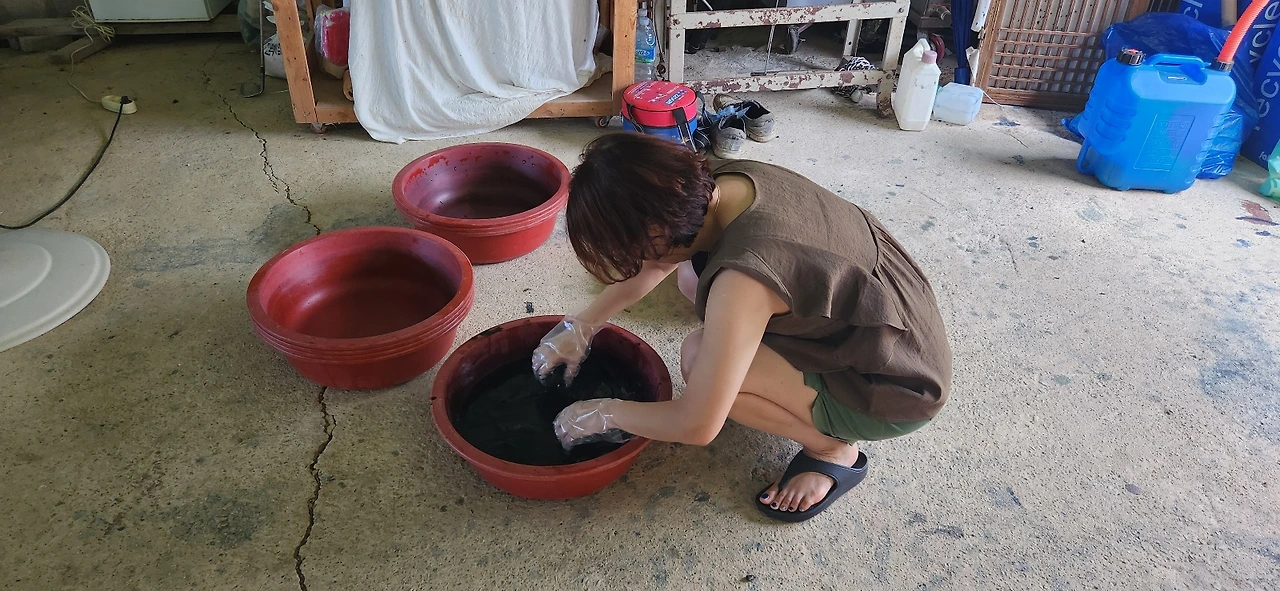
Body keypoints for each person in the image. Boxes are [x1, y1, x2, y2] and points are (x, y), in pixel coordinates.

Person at [531, 133, 951, 522]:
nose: (640, 261)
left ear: (658, 231)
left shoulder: (744, 279)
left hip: (894, 386)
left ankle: (831, 450)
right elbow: (660, 261)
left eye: (636, 249)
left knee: (698, 359)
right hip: (890, 319)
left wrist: (603, 413)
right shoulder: (718, 182)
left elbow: (697, 425)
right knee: (692, 277)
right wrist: (583, 325)